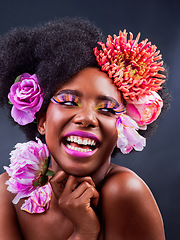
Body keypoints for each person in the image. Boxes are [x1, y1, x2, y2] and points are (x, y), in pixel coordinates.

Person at [0, 17, 170, 239]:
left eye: (107, 109)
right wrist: (84, 233)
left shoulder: (125, 192)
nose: (87, 118)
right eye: (69, 102)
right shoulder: (7, 191)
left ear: (123, 130)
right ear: (41, 119)